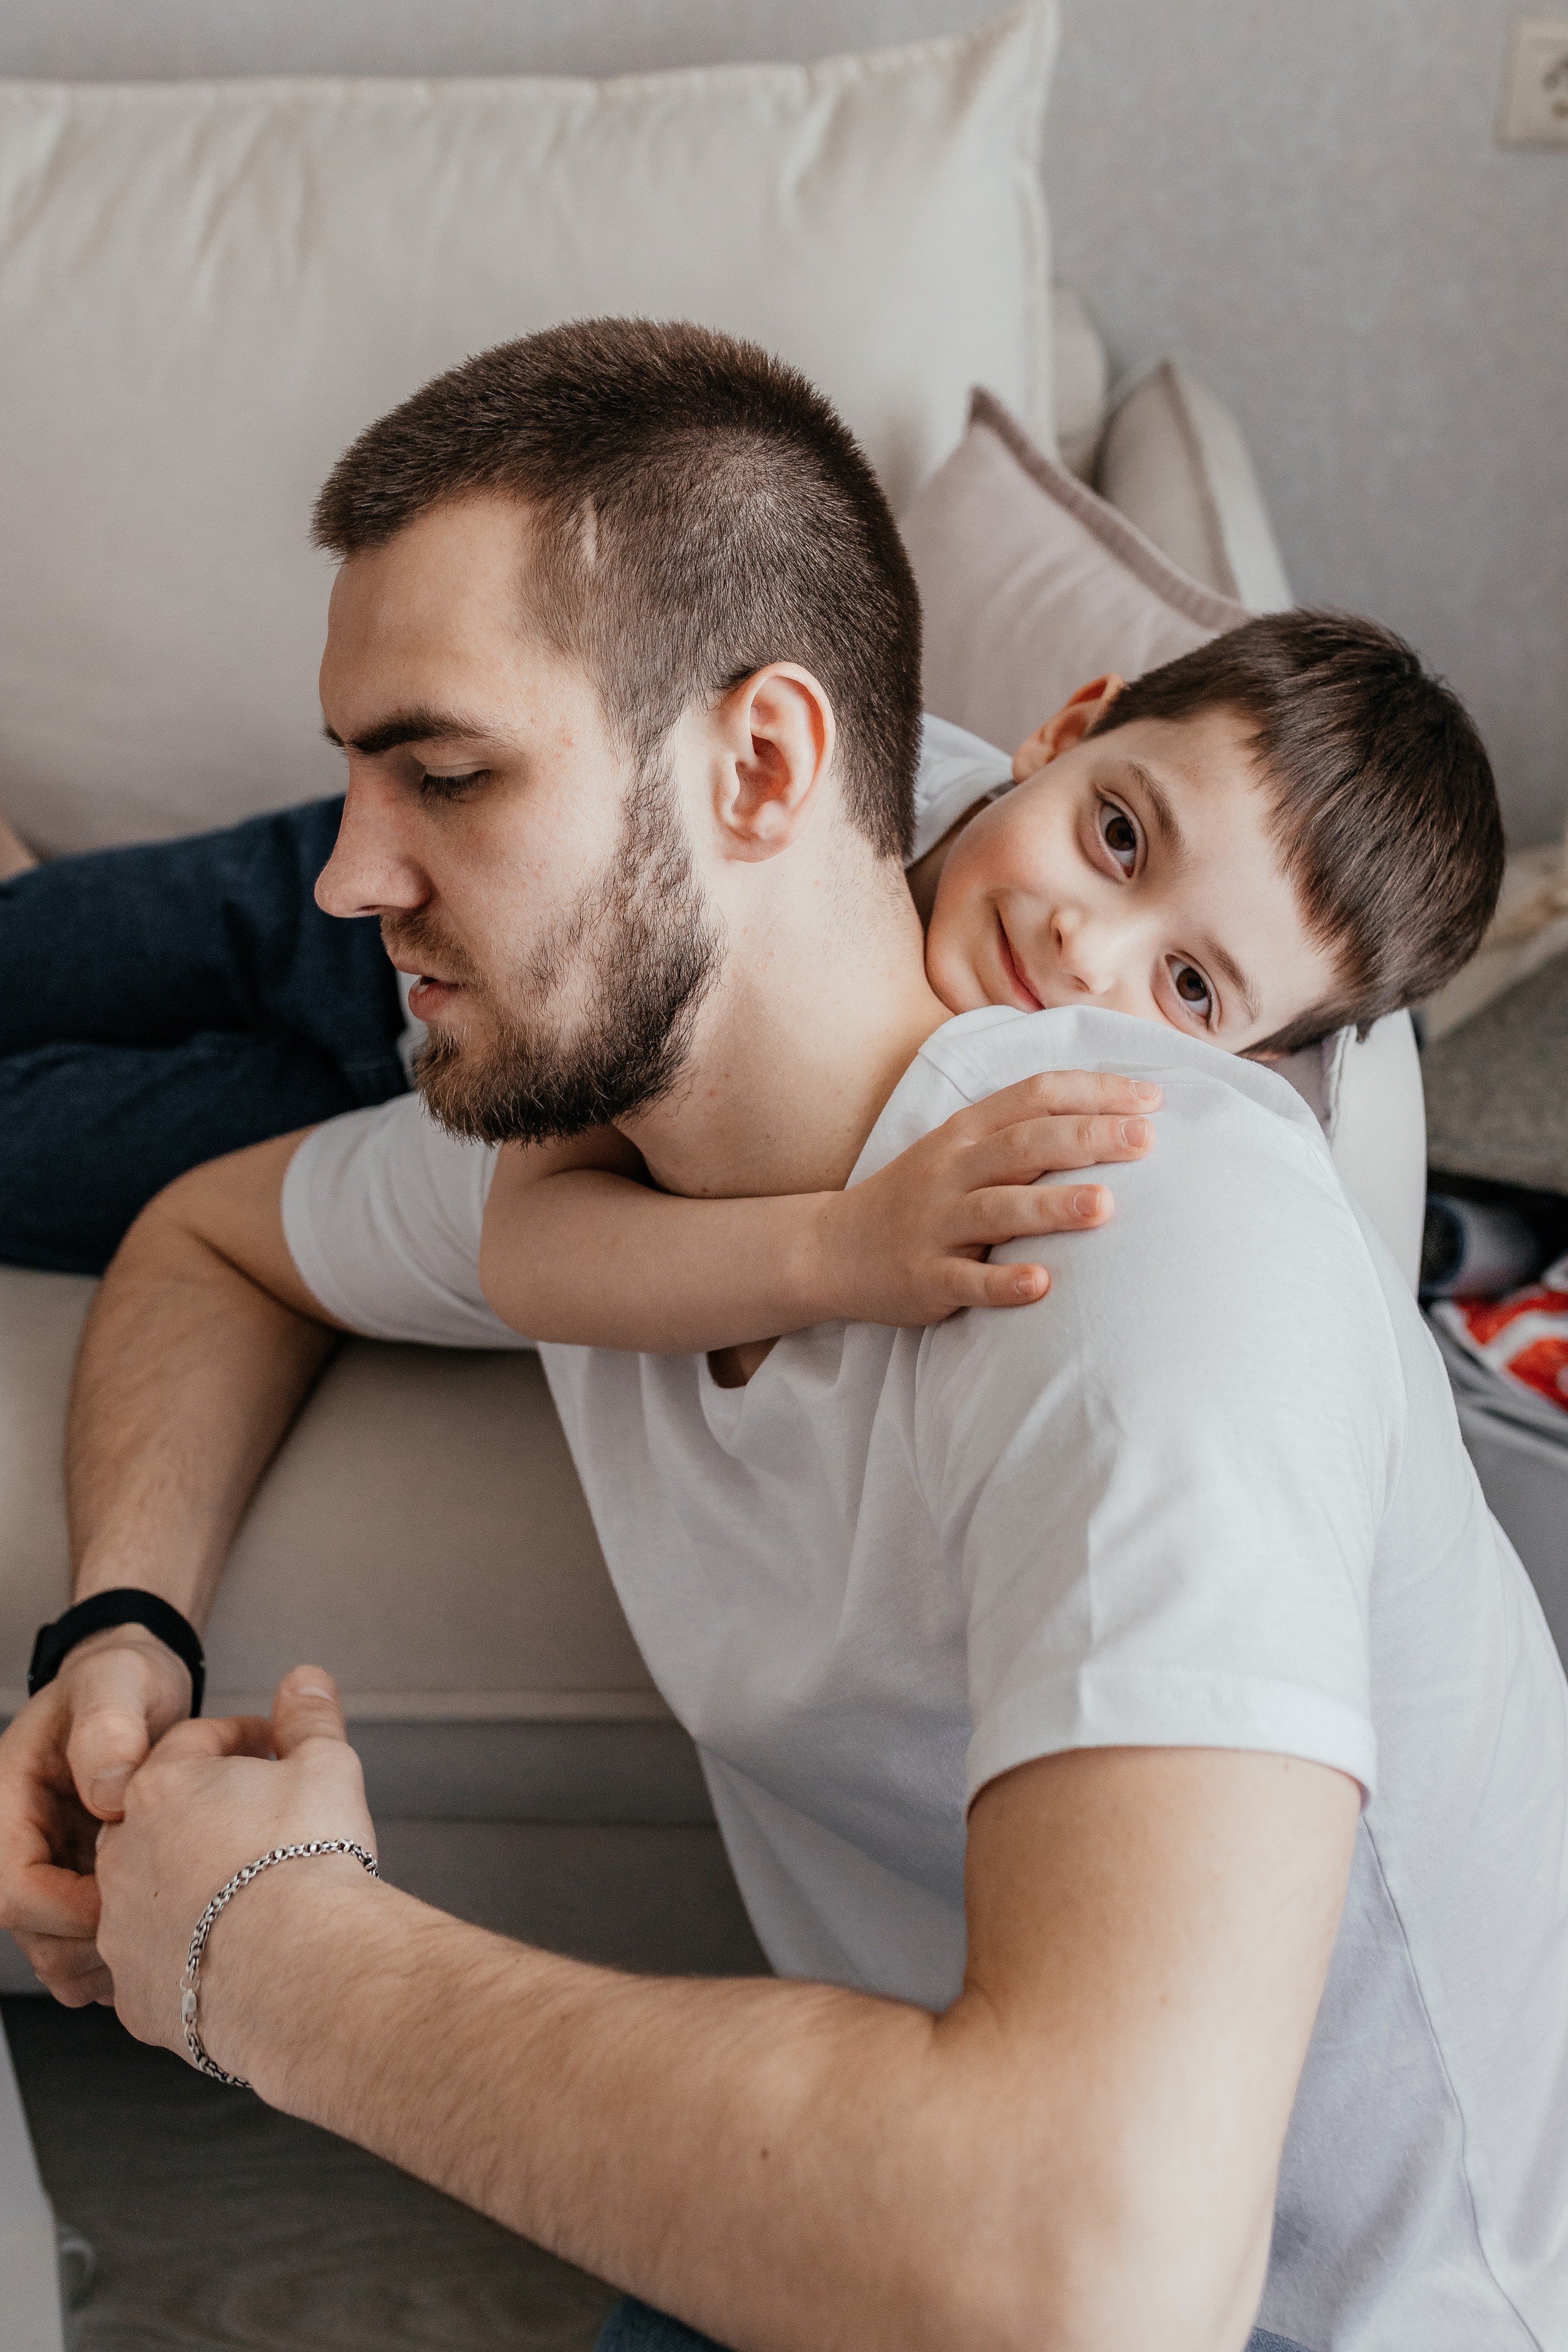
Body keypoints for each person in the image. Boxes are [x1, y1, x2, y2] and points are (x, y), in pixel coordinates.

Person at [2, 320, 1564, 2352]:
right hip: (915, 2179)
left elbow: (1092, 2276)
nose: (350, 874)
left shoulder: (1129, 1221)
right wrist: (119, 1638)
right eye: (364, 770)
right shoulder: (612, 1119)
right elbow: (215, 1242)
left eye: (450, 777)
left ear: (760, 767)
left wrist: (266, 1952)